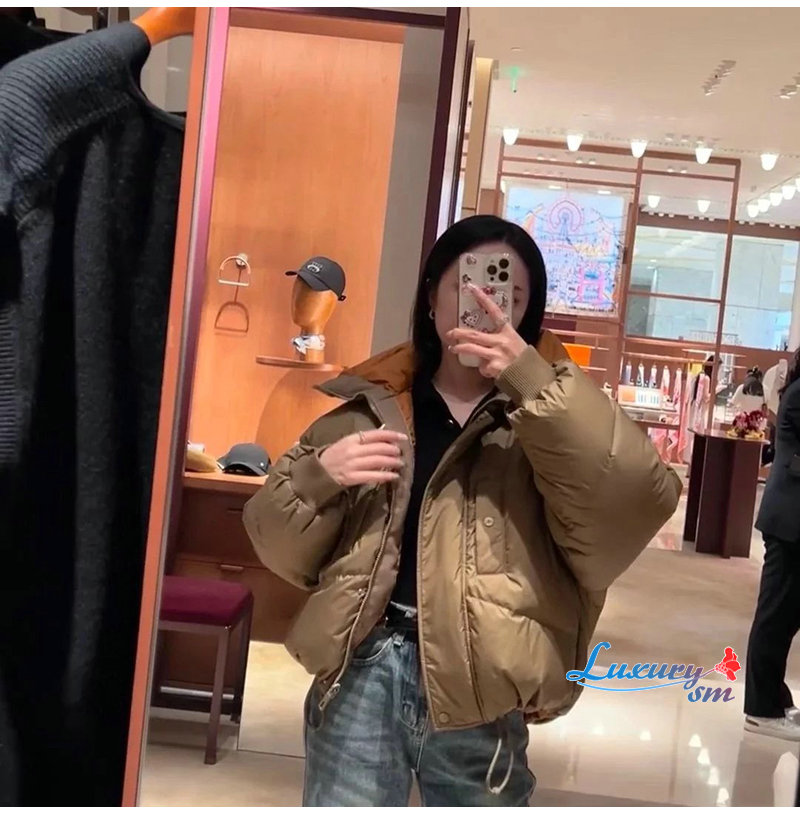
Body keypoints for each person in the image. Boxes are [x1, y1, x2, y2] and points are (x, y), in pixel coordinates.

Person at [243, 215, 682, 806]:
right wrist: (320, 476)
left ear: (528, 313)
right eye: (466, 287)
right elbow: (274, 543)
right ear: (431, 297)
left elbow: (635, 502)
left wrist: (531, 383)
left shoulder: (551, 416)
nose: (486, 305)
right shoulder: (374, 407)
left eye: (509, 296)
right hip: (364, 669)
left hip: (484, 687)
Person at [745, 347, 800, 740]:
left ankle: (775, 698)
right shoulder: (799, 395)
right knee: (776, 617)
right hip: (789, 523)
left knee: (787, 616)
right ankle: (761, 708)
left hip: (792, 521)